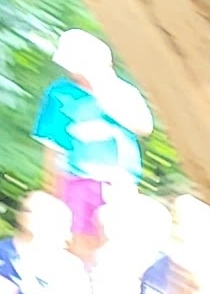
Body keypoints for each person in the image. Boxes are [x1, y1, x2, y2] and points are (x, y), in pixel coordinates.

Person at [29, 28, 151, 264]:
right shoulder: (59, 93)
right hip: (75, 179)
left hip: (119, 181)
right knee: (78, 245)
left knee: (118, 244)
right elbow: (52, 147)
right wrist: (53, 192)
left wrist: (104, 94)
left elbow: (144, 127)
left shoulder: (123, 92)